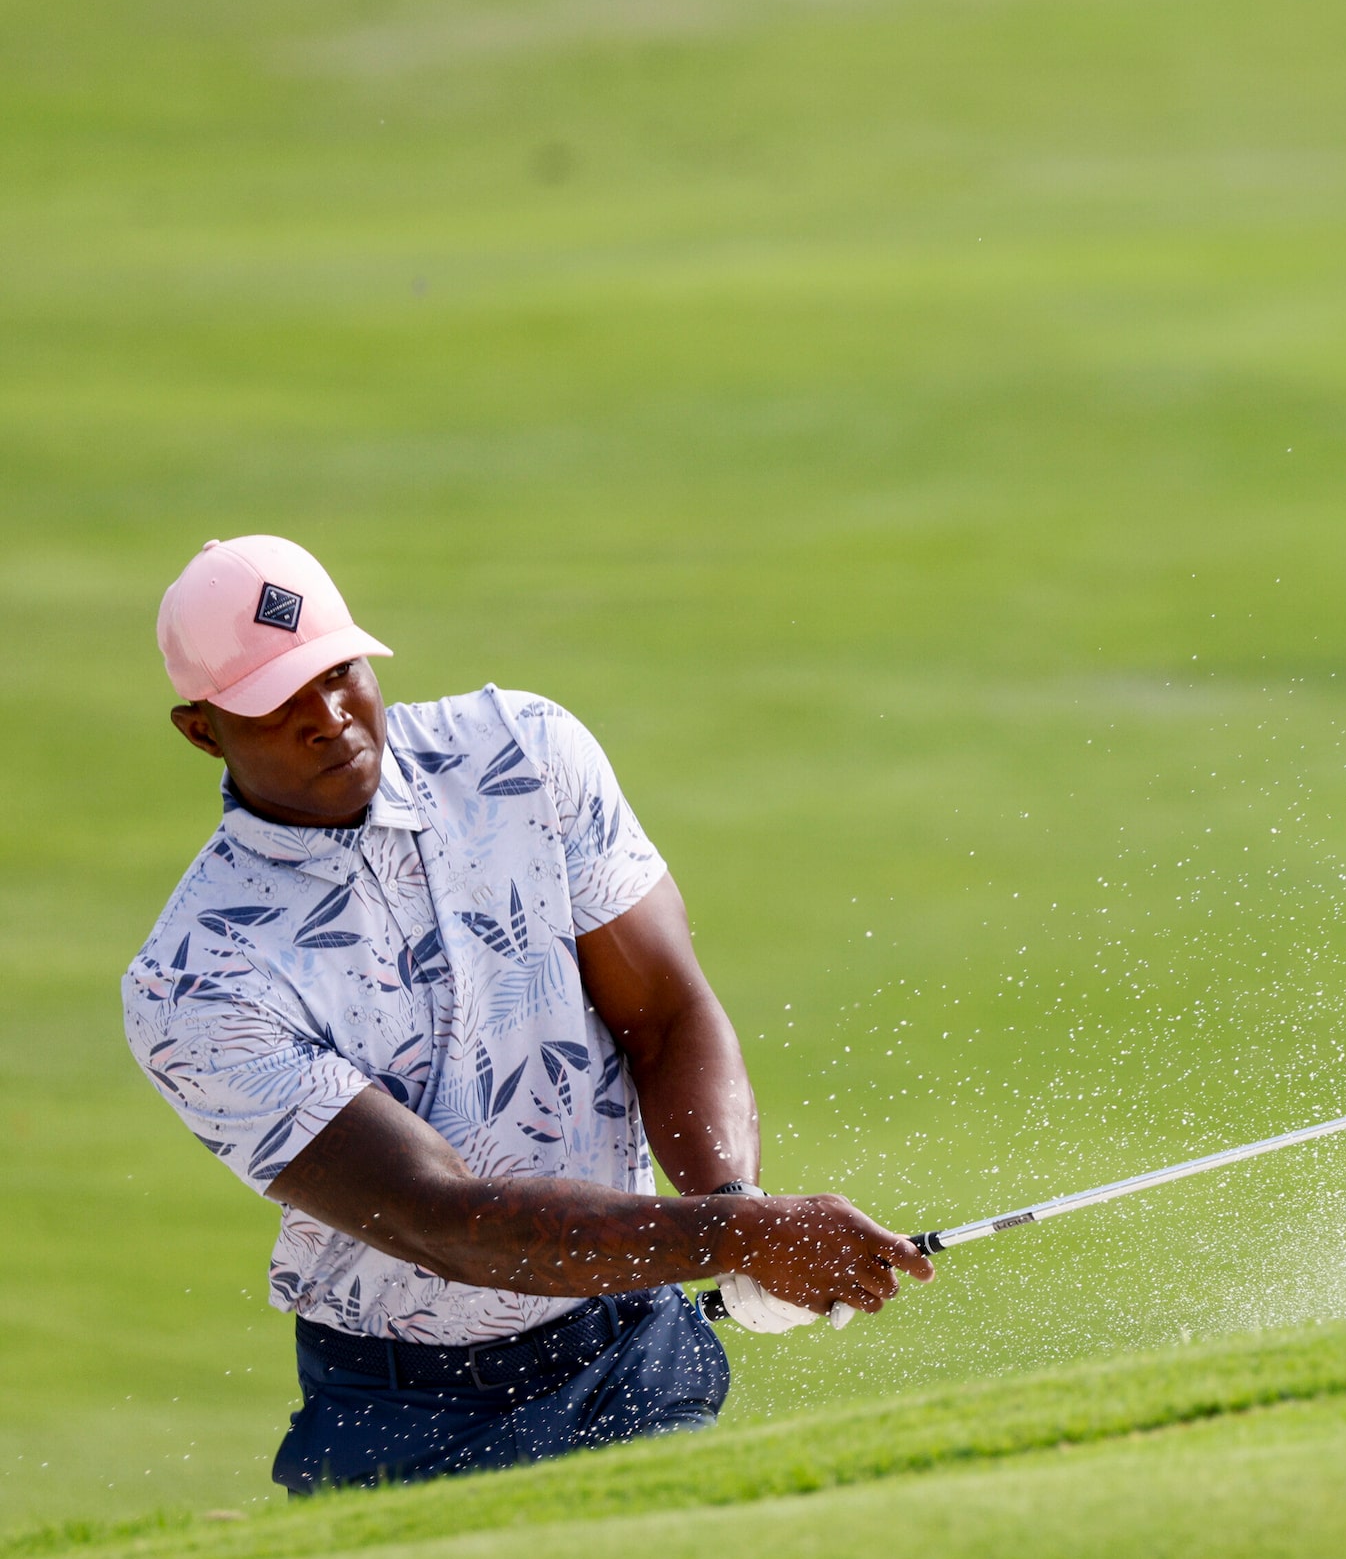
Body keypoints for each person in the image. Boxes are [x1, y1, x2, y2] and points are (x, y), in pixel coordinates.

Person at [124, 535, 931, 1495]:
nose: (330, 717)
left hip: (631, 1343)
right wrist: (735, 1239)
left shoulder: (521, 754)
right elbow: (445, 1222)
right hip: (410, 1413)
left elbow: (667, 1016)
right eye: (276, 703)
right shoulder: (196, 978)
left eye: (340, 673)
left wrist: (735, 1204)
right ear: (200, 729)